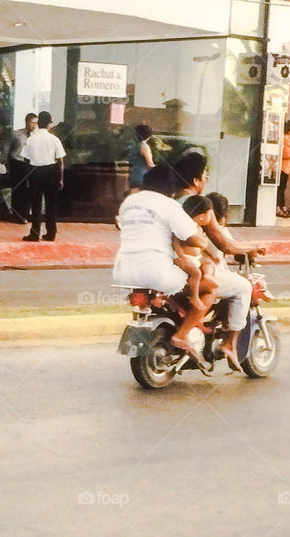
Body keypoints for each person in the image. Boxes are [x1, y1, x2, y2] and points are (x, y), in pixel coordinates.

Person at [173, 153, 265, 372]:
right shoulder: (201, 206)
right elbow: (227, 246)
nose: (206, 178)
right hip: (188, 271)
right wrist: (253, 247)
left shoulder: (171, 202)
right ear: (196, 180)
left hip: (170, 268)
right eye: (205, 174)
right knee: (243, 286)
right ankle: (229, 344)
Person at [112, 166, 212, 361]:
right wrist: (202, 241)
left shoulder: (129, 202)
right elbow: (194, 238)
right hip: (157, 270)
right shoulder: (169, 205)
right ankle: (183, 333)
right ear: (171, 189)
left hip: (125, 270)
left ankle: (171, 315)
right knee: (209, 288)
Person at [21, 111, 66, 242]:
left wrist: (28, 177)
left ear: (38, 124)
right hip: (51, 171)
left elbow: (26, 160)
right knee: (51, 204)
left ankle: (35, 233)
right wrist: (60, 178)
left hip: (35, 171)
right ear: (49, 124)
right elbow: (60, 161)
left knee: (36, 204)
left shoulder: (31, 140)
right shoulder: (54, 139)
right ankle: (51, 233)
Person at [6, 112, 37, 223]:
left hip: (30, 164)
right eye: (32, 122)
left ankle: (25, 214)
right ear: (27, 122)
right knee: (17, 190)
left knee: (28, 190)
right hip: (18, 163)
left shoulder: (37, 137)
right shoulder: (16, 134)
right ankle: (15, 214)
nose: (34, 125)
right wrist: (6, 164)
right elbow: (8, 150)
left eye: (36, 123)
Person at [278, 120, 290, 217]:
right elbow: (286, 154)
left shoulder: (288, 139)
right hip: (283, 167)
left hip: (286, 168)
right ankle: (280, 208)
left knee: (282, 189)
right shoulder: (285, 139)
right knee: (281, 189)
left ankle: (282, 207)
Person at [128, 124, 155, 192]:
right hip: (142, 175)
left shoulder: (133, 145)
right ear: (149, 135)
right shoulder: (144, 146)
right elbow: (150, 163)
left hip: (133, 173)